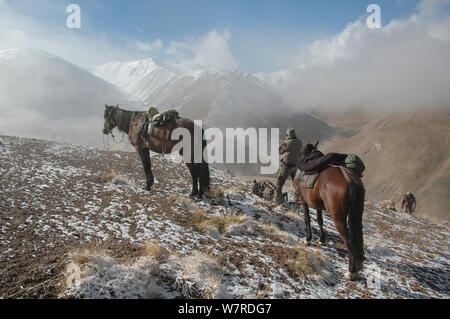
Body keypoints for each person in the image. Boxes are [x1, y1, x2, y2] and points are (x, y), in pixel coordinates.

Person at [273, 128, 303, 206]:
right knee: (295, 184)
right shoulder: (300, 142)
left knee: (279, 183)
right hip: (295, 166)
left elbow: (280, 151)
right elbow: (301, 153)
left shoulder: (286, 143)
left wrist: (285, 141)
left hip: (286, 166)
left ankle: (278, 200)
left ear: (287, 135)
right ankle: (297, 199)